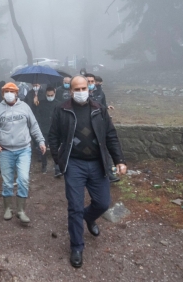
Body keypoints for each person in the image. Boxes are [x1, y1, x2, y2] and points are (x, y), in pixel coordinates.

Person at [48, 76, 126, 268]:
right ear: (71, 91)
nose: (81, 91)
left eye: (84, 87)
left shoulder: (99, 110)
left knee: (103, 202)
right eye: (77, 89)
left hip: (98, 163)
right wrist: (60, 160)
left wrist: (119, 160)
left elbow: (110, 135)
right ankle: (76, 246)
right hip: (74, 164)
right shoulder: (62, 109)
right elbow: (53, 136)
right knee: (74, 206)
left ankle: (89, 217)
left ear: (89, 89)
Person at [0, 82, 46, 224]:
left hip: (24, 150)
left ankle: (21, 210)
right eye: (6, 91)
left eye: (11, 91)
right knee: (7, 181)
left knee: (24, 178)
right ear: (2, 93)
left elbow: (34, 125)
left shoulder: (25, 107)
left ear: (16, 93)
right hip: (5, 150)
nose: (8, 93)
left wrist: (41, 141)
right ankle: (8, 208)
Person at [36, 86, 62, 176]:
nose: (50, 96)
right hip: (44, 129)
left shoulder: (58, 104)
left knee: (56, 149)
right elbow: (37, 115)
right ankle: (44, 165)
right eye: (48, 95)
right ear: (45, 94)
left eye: (52, 95)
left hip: (55, 130)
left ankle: (57, 168)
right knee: (43, 148)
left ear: (54, 93)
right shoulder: (40, 103)